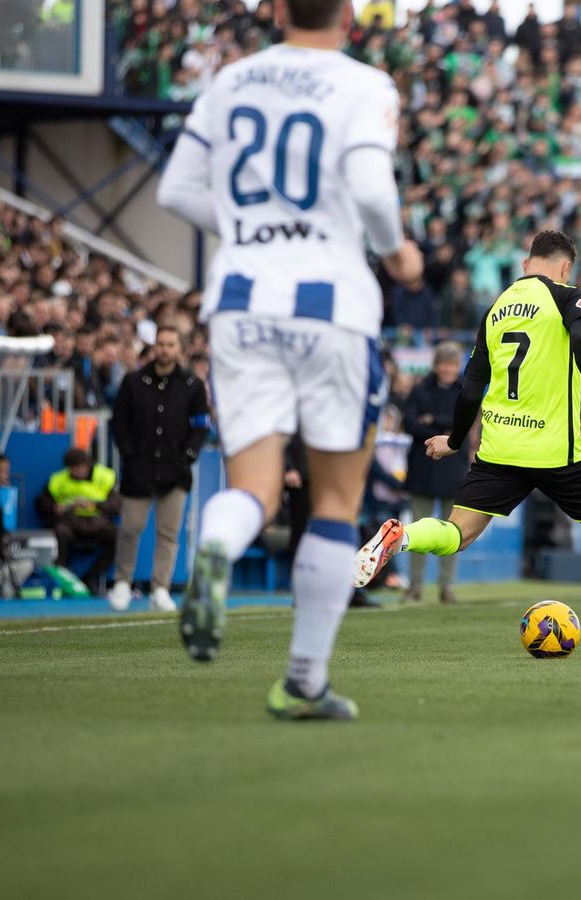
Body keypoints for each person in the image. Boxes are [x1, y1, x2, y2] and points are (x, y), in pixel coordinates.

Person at [155, 0, 424, 720]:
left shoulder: (231, 81)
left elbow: (176, 189)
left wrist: (251, 230)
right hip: (331, 303)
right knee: (336, 502)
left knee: (255, 485)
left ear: (276, 9)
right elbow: (370, 188)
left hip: (241, 299)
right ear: (348, 13)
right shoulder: (364, 84)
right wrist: (397, 251)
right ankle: (305, 679)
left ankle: (216, 543)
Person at [355, 230, 581, 660]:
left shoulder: (496, 309)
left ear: (526, 265)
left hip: (499, 450)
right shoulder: (568, 296)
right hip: (554, 451)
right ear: (565, 267)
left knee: (457, 532)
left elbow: (471, 387)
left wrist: (454, 440)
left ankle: (402, 537)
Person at [107, 325, 211, 613]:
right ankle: (122, 583)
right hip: (138, 467)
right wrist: (128, 453)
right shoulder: (133, 381)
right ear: (154, 346)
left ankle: (160, 587)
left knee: (169, 533)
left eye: (170, 344)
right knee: (130, 527)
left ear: (179, 349)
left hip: (175, 470)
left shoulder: (192, 384)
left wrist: (187, 455)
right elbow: (119, 421)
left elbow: (201, 426)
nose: (164, 349)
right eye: (160, 344)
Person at [400, 342, 467, 604]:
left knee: (453, 532)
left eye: (453, 364)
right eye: (445, 363)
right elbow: (411, 424)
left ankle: (446, 587)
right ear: (436, 365)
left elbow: (465, 423)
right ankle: (414, 585)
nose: (449, 369)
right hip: (423, 468)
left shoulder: (465, 390)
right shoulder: (420, 390)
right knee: (416, 532)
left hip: (454, 470)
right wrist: (445, 430)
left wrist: (433, 421)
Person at [37, 448, 122, 591]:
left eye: (80, 467)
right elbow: (41, 503)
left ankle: (90, 578)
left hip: (98, 525)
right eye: (72, 468)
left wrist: (94, 504)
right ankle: (62, 579)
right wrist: (55, 507)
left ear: (88, 465)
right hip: (71, 525)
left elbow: (117, 505)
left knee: (119, 537)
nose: (77, 471)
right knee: (60, 532)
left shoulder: (105, 477)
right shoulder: (58, 480)